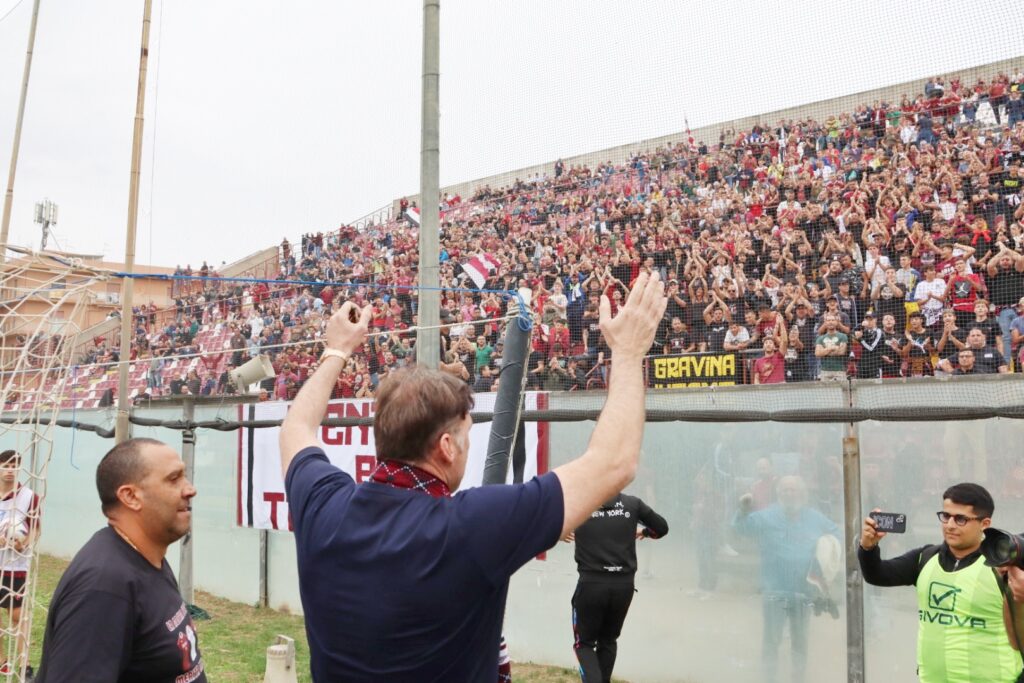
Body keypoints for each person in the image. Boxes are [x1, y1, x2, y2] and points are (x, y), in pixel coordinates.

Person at [279, 275, 666, 681]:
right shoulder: (470, 526)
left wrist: (336, 349)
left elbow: (296, 428)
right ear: (446, 446)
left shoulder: (324, 506)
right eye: (466, 436)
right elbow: (614, 463)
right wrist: (626, 353)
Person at [36, 439, 205, 682]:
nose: (190, 489)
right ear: (130, 496)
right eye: (173, 479)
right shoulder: (103, 586)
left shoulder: (147, 556)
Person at [858, 483, 1024, 682]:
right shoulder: (925, 557)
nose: (950, 525)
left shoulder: (1005, 566)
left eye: (961, 519)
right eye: (946, 516)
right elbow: (877, 575)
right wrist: (868, 547)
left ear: (985, 524)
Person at [734, 476, 840, 683]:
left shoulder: (814, 518)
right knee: (771, 640)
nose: (790, 494)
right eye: (785, 490)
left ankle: (798, 678)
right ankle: (768, 678)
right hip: (775, 591)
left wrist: (825, 561)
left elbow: (836, 535)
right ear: (778, 494)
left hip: (803, 592)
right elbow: (741, 528)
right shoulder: (767, 516)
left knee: (800, 642)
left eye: (794, 490)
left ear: (803, 494)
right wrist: (743, 511)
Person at [564, 493, 668, 683]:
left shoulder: (578, 502)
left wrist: (560, 533)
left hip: (591, 585)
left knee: (584, 644)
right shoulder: (632, 504)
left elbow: (543, 523)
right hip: (624, 586)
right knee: (608, 640)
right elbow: (661, 528)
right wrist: (644, 532)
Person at [0, 451, 39, 677]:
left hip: (15, 566)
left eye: (14, 466)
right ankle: (3, 661)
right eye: (6, 465)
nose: (10, 470)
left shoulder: (28, 496)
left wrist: (23, 543)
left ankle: (25, 666)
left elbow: (35, 527)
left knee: (17, 616)